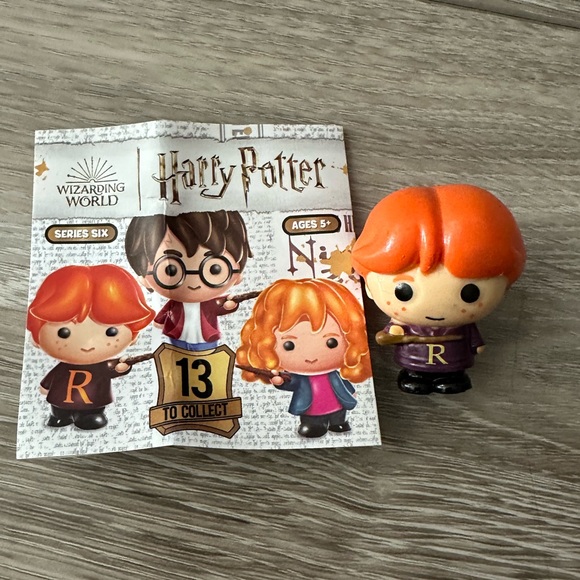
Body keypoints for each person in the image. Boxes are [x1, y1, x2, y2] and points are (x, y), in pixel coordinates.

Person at [351, 184, 526, 395]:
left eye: (470, 294)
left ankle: (453, 377)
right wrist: (394, 334)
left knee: (453, 378)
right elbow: (389, 336)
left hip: (454, 361)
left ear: (505, 288)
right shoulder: (403, 323)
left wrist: (476, 345)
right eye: (403, 292)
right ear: (368, 287)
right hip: (413, 361)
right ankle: (414, 376)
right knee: (414, 378)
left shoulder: (462, 326)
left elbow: (474, 338)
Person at [237, 278, 372, 437]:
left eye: (331, 342)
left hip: (338, 405)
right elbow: (292, 382)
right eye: (289, 345)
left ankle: (338, 423)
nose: (311, 355)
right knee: (313, 421)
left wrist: (351, 391)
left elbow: (343, 383)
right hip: (311, 409)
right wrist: (279, 381)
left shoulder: (334, 374)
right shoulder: (300, 378)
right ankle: (313, 426)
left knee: (339, 416)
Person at [27, 264, 155, 429]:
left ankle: (91, 416)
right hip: (60, 401)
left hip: (94, 402)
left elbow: (113, 369)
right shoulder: (63, 367)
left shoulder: (101, 366)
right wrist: (45, 386)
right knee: (59, 412)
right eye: (63, 332)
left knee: (91, 416)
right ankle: (59, 416)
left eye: (111, 332)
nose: (88, 344)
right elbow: (53, 376)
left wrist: (122, 367)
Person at [125, 210, 252, 351]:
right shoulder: (173, 305)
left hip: (206, 339)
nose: (194, 282)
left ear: (238, 275)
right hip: (177, 337)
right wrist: (159, 322)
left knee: (207, 354)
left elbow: (223, 305)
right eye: (171, 269)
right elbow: (163, 315)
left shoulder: (209, 304)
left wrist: (229, 304)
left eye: (214, 269)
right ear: (144, 278)